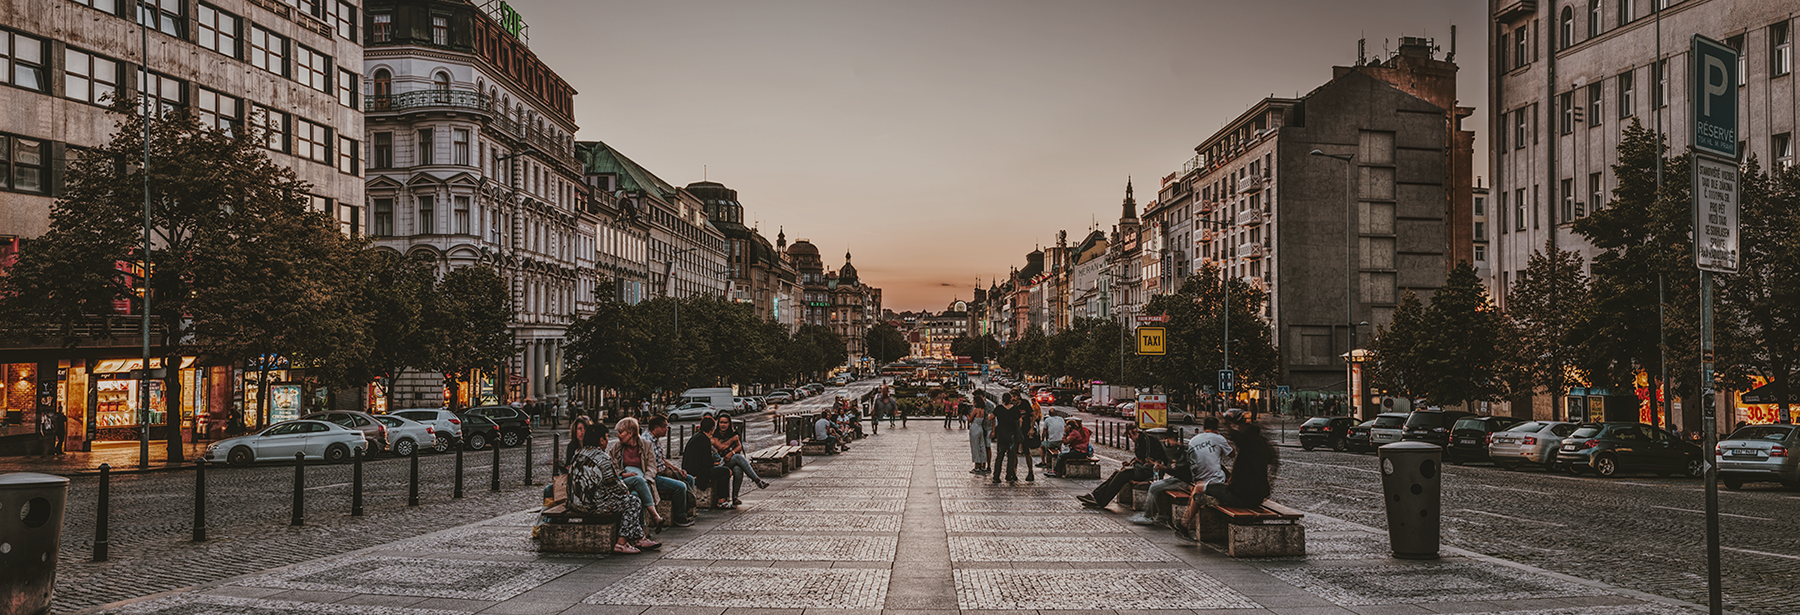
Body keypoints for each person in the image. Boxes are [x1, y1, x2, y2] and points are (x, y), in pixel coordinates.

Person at [563, 419, 661, 554]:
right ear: (601, 440)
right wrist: (625, 491)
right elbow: (615, 485)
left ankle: (639, 538)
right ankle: (622, 543)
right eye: (606, 438)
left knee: (628, 499)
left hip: (575, 502)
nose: (608, 441)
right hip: (592, 505)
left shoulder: (577, 455)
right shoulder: (602, 458)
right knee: (633, 502)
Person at [1078, 426, 1176, 509]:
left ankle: (1102, 501)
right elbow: (1139, 458)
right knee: (1117, 473)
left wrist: (1135, 463)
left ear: (1134, 432)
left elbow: (1147, 460)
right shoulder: (1140, 441)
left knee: (1123, 475)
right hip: (1143, 468)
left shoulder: (1147, 440)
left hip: (1151, 470)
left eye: (1131, 436)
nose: (1131, 440)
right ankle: (1095, 495)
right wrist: (1131, 463)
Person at [1203, 411, 1278, 508]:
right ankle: (1217, 500)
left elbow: (1232, 434)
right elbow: (1273, 464)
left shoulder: (1247, 443)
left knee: (1204, 488)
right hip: (1258, 497)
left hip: (1240, 495)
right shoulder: (1264, 445)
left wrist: (1227, 422)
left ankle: (1217, 501)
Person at [1179, 417, 1236, 537]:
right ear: (1217, 428)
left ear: (1203, 428)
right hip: (1215, 482)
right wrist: (1223, 439)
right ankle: (1185, 522)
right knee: (1226, 479)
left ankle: (1185, 523)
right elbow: (1232, 454)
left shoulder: (1193, 440)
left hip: (1197, 479)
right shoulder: (1219, 438)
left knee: (1196, 489)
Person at [606, 417, 664, 526]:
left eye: (620, 432)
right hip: (623, 482)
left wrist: (645, 480)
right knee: (637, 482)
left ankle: (640, 530)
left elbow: (652, 468)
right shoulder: (617, 447)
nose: (617, 435)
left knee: (635, 495)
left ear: (630, 433)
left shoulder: (646, 445)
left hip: (642, 482)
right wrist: (622, 474)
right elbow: (611, 467)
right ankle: (654, 516)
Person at [642, 414, 695, 526]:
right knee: (680, 487)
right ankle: (679, 517)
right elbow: (648, 465)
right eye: (664, 426)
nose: (667, 429)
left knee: (689, 479)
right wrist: (668, 473)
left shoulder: (655, 439)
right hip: (655, 476)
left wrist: (676, 469)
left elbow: (661, 459)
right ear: (656, 428)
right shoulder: (646, 441)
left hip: (664, 471)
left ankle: (687, 511)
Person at [711, 418, 769, 506]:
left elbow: (739, 447)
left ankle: (735, 497)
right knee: (738, 457)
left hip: (729, 460)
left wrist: (731, 453)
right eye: (721, 422)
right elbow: (721, 447)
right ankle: (757, 480)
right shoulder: (715, 435)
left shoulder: (732, 434)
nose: (723, 425)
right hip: (720, 462)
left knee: (738, 469)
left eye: (725, 423)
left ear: (729, 424)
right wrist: (732, 440)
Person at [684, 416, 735, 509]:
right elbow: (706, 462)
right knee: (726, 471)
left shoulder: (697, 437)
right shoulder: (705, 440)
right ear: (712, 428)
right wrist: (715, 463)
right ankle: (721, 501)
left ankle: (723, 499)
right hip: (699, 472)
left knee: (724, 470)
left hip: (692, 469)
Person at [990, 392, 1025, 483]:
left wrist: (994, 429)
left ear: (1002, 400)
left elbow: (990, 417)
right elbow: (1020, 420)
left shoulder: (999, 408)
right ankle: (1009, 475)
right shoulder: (1015, 409)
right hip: (1012, 436)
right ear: (1010, 400)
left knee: (999, 456)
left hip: (1002, 435)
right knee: (1011, 457)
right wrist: (1017, 430)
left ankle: (996, 476)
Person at [968, 395, 991, 474]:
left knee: (975, 447)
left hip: (974, 428)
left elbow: (970, 420)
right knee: (982, 447)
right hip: (980, 428)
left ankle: (976, 466)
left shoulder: (975, 410)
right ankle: (982, 464)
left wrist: (966, 414)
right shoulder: (983, 410)